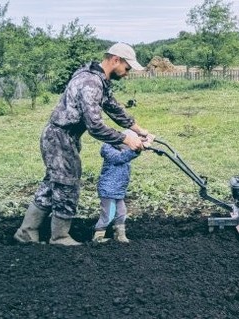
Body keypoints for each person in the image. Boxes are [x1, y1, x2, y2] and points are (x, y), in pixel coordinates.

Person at [14, 42, 153, 246]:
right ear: (116, 60)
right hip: (59, 137)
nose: (127, 73)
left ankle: (27, 232)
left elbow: (114, 109)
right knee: (66, 182)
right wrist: (126, 139)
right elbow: (95, 126)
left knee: (53, 182)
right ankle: (59, 236)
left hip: (64, 137)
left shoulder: (99, 80)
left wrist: (139, 131)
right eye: (127, 68)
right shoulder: (90, 83)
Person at [92, 130, 148, 244]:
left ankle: (120, 235)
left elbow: (126, 155)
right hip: (107, 189)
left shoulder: (123, 151)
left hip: (118, 190)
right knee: (108, 214)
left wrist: (142, 144)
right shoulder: (109, 150)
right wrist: (135, 150)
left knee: (121, 213)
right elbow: (120, 158)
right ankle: (98, 237)